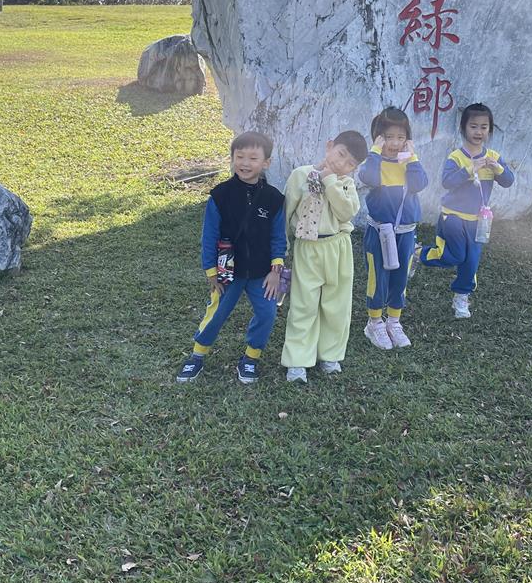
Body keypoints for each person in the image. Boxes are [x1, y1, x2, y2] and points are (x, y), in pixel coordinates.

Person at [175, 131, 286, 385]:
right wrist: (211, 271)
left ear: (266, 162)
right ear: (233, 158)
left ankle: (251, 358)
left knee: (267, 313)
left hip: (262, 273)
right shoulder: (220, 195)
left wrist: (275, 270)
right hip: (227, 272)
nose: (245, 163)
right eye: (240, 157)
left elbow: (278, 238)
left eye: (253, 158)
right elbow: (209, 235)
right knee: (217, 313)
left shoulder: (274, 199)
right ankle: (197, 355)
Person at [280, 129, 369, 383]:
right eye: (340, 154)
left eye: (350, 163)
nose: (341, 164)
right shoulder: (300, 175)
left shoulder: (346, 184)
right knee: (303, 304)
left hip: (338, 247)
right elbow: (286, 213)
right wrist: (281, 249)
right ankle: (297, 360)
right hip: (308, 248)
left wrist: (330, 182)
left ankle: (330, 355)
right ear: (329, 146)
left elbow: (346, 213)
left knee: (337, 305)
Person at [420, 103, 515, 319]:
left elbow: (508, 181)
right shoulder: (456, 157)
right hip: (452, 217)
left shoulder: (493, 156)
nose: (478, 132)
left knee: (471, 262)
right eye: (473, 126)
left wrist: (498, 168)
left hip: (478, 221)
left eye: (484, 127)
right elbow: (447, 182)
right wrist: (471, 169)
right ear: (463, 128)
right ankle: (419, 254)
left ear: (489, 130)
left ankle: (461, 297)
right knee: (454, 256)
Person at [358, 107, 428, 350]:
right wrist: (375, 152)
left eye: (401, 137)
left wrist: (413, 158)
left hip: (405, 232)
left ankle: (394, 322)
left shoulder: (409, 163)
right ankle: (374, 323)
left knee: (400, 279)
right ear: (378, 138)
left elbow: (419, 184)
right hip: (379, 231)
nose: (395, 143)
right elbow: (368, 178)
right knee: (377, 277)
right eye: (389, 137)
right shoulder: (374, 162)